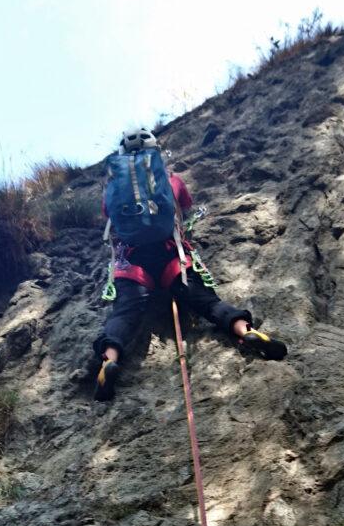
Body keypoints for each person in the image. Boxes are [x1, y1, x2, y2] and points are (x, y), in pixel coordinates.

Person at [92, 127, 288, 401]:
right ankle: (245, 330)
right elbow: (184, 207)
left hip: (131, 263)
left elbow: (107, 214)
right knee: (205, 301)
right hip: (171, 256)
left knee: (125, 313)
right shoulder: (170, 180)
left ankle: (109, 359)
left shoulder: (114, 187)